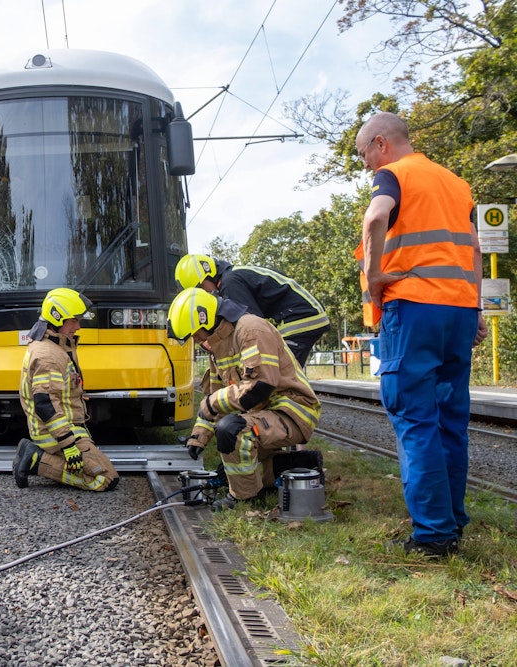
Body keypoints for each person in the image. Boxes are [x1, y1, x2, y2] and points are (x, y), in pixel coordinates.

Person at [355, 111, 486, 557]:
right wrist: (478, 308)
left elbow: (376, 219)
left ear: (380, 143)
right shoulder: (456, 183)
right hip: (459, 310)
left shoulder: (392, 175)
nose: (367, 166)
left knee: (414, 417)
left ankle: (433, 536)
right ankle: (452, 521)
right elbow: (475, 249)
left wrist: (374, 278)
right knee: (451, 420)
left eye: (364, 156)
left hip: (413, 308)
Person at [168, 288, 323, 510]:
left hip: (292, 412)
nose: (195, 340)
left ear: (206, 320)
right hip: (264, 413)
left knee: (233, 431)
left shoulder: (251, 329)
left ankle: (243, 499)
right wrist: (198, 438)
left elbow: (259, 387)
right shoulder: (218, 347)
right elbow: (214, 399)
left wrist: (213, 403)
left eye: (194, 334)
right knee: (229, 462)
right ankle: (295, 467)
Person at [13, 288, 119, 492]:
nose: (78, 326)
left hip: (68, 429)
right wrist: (68, 445)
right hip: (55, 435)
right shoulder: (48, 356)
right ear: (57, 318)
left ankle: (38, 456)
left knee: (103, 471)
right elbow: (45, 404)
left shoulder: (59, 346)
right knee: (104, 480)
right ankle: (36, 459)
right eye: (74, 320)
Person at [175, 254, 330, 368]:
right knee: (280, 365)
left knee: (281, 369)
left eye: (201, 288)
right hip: (300, 313)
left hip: (301, 316)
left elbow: (252, 324)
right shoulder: (234, 275)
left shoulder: (230, 284)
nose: (204, 295)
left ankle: (292, 408)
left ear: (208, 276)